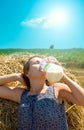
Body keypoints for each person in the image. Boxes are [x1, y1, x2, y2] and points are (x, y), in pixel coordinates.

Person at [0, 55, 84, 130]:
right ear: (27, 73)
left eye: (44, 63)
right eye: (37, 62)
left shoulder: (57, 89)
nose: (42, 65)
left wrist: (63, 76)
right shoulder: (22, 94)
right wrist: (16, 76)